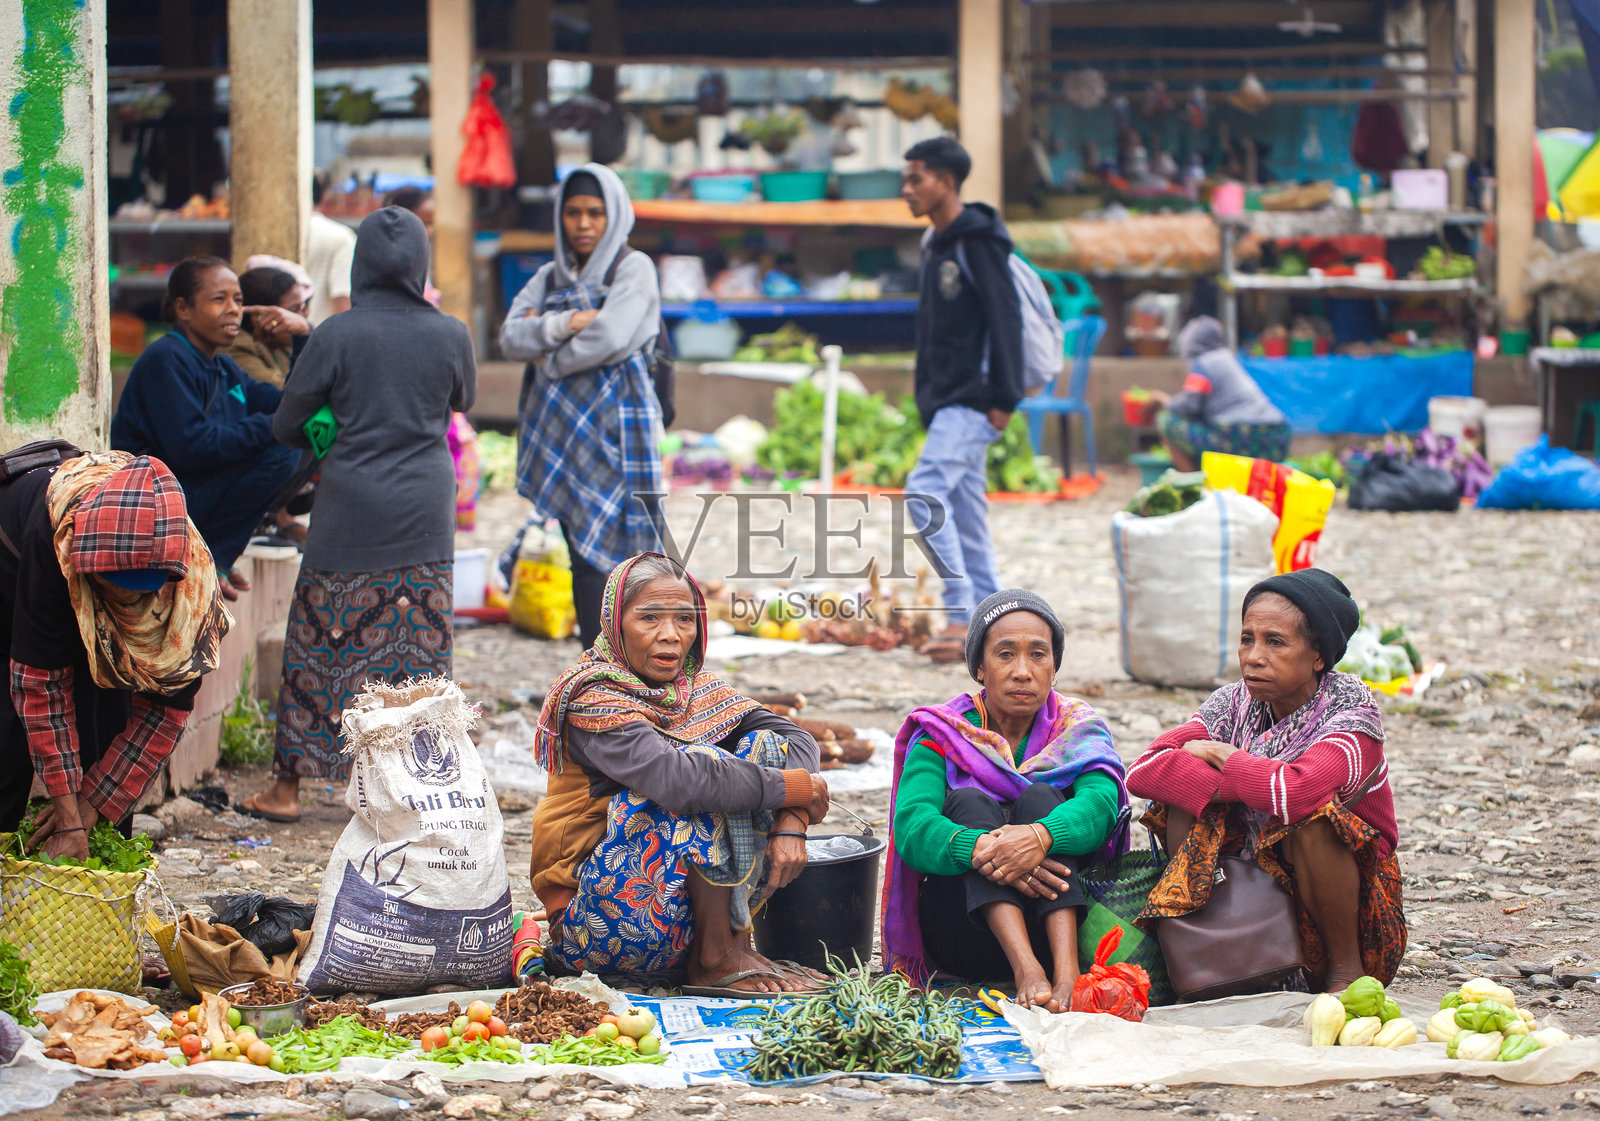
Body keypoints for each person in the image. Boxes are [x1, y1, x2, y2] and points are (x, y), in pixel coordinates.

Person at [237, 206, 476, 823]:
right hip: (424, 509)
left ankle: (288, 790)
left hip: (350, 506)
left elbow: (288, 424)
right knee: (419, 649)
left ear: (360, 264)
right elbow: (463, 399)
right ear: (420, 264)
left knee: (320, 640)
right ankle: (414, 794)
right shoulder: (451, 333)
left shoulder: (335, 334)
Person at [529, 552, 830, 996]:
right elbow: (680, 781)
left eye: (684, 619)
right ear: (615, 623)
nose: (670, 635)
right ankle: (714, 958)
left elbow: (796, 739)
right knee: (702, 771)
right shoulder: (593, 697)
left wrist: (793, 820)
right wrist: (800, 789)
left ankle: (730, 944)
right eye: (649, 617)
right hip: (599, 925)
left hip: (672, 920)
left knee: (765, 746)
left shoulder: (696, 691)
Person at [1126, 568, 1405, 993]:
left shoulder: (1351, 716)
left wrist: (1226, 759)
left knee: (1312, 821)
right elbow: (1144, 769)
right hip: (1251, 900)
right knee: (1179, 801)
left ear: (1318, 657)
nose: (1253, 657)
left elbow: (1298, 793)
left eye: (1275, 642)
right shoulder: (1232, 703)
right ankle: (1219, 953)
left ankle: (1344, 973)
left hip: (1357, 918)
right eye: (1247, 639)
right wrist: (1242, 784)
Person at [884, 590, 1129, 1010]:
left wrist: (1040, 837)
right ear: (980, 668)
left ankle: (1067, 972)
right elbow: (913, 825)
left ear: (1054, 667)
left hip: (1062, 930)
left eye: (1038, 655)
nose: (1022, 672)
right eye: (1005, 655)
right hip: (965, 932)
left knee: (1041, 798)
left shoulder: (1076, 730)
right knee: (970, 805)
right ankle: (1026, 969)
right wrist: (983, 848)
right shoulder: (944, 733)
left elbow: (1101, 805)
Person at [0, 444, 229, 858]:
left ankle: (88, 854)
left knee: (108, 726)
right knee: (7, 742)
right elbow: (40, 684)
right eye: (116, 586)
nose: (125, 600)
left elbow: (167, 710)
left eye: (139, 593)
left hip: (95, 578)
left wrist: (91, 808)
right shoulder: (53, 540)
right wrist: (68, 818)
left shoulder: (191, 592)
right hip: (12, 573)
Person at [499, 164, 665, 652]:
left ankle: (630, 666)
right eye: (572, 213)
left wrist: (549, 356)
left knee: (623, 552)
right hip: (563, 433)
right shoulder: (549, 275)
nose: (584, 224)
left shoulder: (633, 268)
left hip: (618, 428)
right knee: (580, 547)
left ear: (614, 215)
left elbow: (611, 336)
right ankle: (595, 666)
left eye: (595, 212)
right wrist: (568, 321)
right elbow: (510, 337)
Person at [900, 137, 1024, 664]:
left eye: (917, 179)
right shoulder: (935, 242)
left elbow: (1006, 317)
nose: (907, 190)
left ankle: (958, 612)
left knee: (923, 492)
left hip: (976, 398)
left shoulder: (978, 243)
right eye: (905, 180)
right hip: (946, 399)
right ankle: (992, 620)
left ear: (946, 182)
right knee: (968, 514)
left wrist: (1005, 396)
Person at [111, 257, 300, 601]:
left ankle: (217, 554)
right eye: (219, 299)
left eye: (238, 300)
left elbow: (293, 404)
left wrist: (301, 336)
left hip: (194, 493)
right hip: (156, 507)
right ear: (183, 308)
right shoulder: (166, 358)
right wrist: (275, 424)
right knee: (284, 445)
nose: (233, 310)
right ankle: (211, 555)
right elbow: (192, 448)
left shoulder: (223, 367)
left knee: (310, 430)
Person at [1151, 316, 1292, 471]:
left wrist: (1164, 401)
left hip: (1242, 436)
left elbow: (1190, 405)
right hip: (1277, 436)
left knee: (1166, 420)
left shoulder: (1203, 363)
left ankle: (1191, 480)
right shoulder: (1226, 357)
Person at [222, 266, 311, 389]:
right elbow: (294, 394)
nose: (300, 319)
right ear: (260, 316)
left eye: (302, 309)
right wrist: (303, 334)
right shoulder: (238, 350)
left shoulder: (282, 345)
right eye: (294, 310)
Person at [305, 175, 357, 324]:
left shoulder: (272, 231)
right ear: (325, 196)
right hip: (319, 333)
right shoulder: (341, 237)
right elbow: (343, 302)